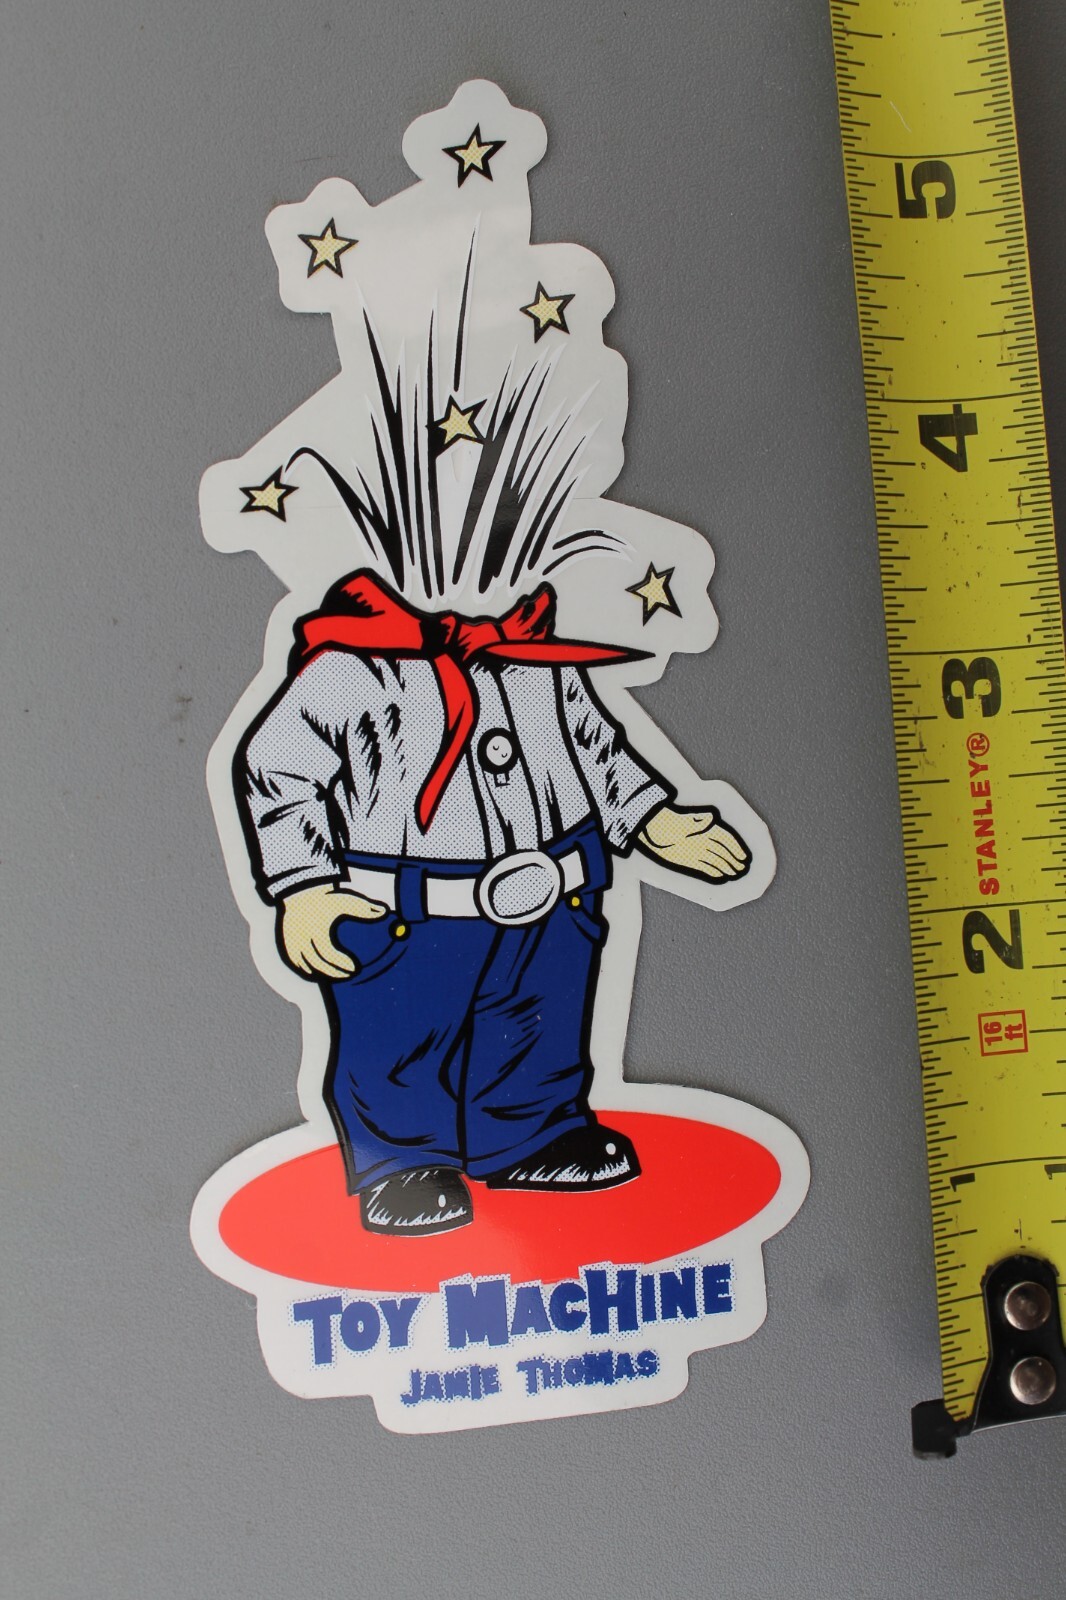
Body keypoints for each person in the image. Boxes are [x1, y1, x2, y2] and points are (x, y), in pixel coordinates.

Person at [236, 569, 750, 1236]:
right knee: (403, 1039)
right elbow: (279, 768)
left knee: (537, 1022)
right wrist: (303, 884)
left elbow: (594, 747)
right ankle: (406, 1160)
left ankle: (533, 1135)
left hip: (553, 897)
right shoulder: (351, 665)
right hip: (410, 915)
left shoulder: (537, 653)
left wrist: (654, 820)